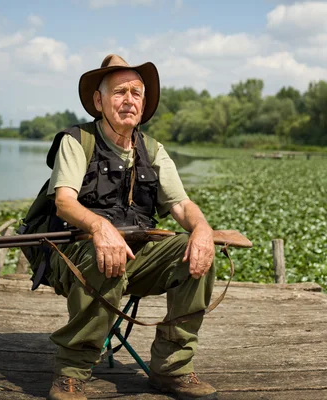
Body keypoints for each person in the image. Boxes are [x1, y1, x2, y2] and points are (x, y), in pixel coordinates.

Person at [43, 54, 217, 400]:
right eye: (119, 92)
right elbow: (64, 201)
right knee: (105, 256)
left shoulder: (153, 149)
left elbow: (181, 205)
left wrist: (202, 230)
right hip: (78, 256)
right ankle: (71, 373)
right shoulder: (77, 140)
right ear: (99, 101)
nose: (129, 101)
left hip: (139, 257)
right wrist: (99, 227)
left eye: (136, 93)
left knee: (196, 251)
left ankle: (172, 368)